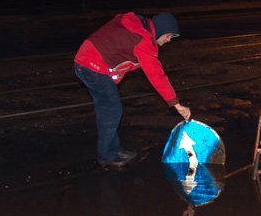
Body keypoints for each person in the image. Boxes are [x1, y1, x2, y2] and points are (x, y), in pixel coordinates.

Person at [74, 11, 191, 169]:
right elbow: (157, 75)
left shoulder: (138, 27)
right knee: (111, 110)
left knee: (109, 110)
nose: (169, 40)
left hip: (89, 61)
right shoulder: (142, 41)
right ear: (162, 30)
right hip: (91, 65)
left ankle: (114, 150)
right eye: (169, 36)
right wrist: (176, 104)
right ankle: (106, 156)